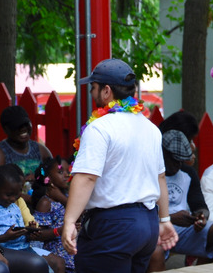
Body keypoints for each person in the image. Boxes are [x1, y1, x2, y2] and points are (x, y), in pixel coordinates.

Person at [61, 58, 178, 272]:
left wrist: (69, 221)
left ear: (106, 91)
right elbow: (160, 177)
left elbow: (87, 177)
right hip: (147, 225)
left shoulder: (99, 128)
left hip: (114, 225)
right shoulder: (151, 128)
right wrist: (164, 219)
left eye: (93, 88)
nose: (91, 93)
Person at [147, 131, 213, 271]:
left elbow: (200, 205)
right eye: (174, 159)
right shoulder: (148, 173)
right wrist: (170, 219)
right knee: (154, 251)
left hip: (184, 229)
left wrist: (201, 217)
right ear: (162, 153)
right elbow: (142, 213)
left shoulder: (187, 173)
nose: (178, 164)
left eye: (181, 160)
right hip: (156, 228)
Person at [0, 165, 65, 273]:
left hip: (24, 248)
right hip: (6, 250)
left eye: (16, 195)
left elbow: (23, 233)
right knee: (37, 263)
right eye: (8, 195)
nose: (12, 199)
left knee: (48, 268)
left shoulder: (14, 207)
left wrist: (29, 232)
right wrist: (5, 237)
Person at [31, 158, 74, 272]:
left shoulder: (69, 197)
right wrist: (60, 231)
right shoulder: (46, 203)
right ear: (48, 178)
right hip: (59, 256)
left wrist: (62, 198)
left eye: (67, 171)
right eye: (60, 172)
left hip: (74, 254)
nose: (66, 175)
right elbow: (38, 235)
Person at [0, 106, 53, 184]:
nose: (23, 129)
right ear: (6, 129)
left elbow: (54, 174)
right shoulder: (1, 153)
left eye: (26, 124)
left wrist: (39, 178)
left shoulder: (41, 150)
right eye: (17, 126)